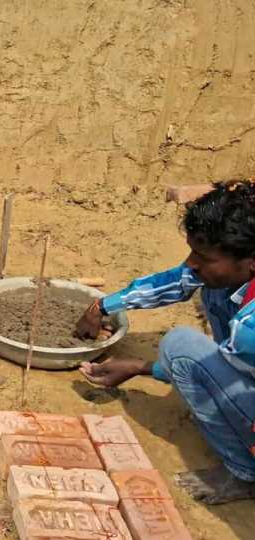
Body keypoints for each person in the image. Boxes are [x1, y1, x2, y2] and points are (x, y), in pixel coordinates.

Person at [75, 180, 255, 505]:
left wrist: (146, 367)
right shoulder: (233, 270)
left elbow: (213, 362)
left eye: (202, 256)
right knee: (213, 291)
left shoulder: (251, 329)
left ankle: (245, 473)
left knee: (180, 347)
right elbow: (178, 280)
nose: (190, 262)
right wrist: (102, 306)